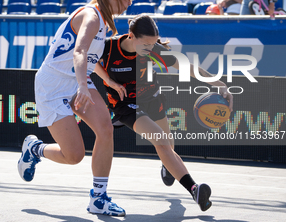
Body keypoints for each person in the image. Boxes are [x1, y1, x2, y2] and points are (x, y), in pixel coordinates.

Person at [17, 0, 133, 217]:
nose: (130, 3)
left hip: (78, 79)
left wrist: (108, 80)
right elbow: (79, 52)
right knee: (74, 156)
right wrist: (82, 85)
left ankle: (98, 199)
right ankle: (34, 148)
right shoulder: (91, 16)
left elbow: (91, 58)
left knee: (106, 130)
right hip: (54, 84)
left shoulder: (103, 18)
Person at [94, 14, 234, 212]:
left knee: (168, 147)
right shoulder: (108, 48)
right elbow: (87, 60)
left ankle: (167, 166)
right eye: (146, 44)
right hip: (125, 104)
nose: (150, 49)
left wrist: (220, 84)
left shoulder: (155, 51)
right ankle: (194, 189)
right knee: (161, 141)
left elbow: (190, 68)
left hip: (152, 99)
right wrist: (108, 80)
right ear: (131, 36)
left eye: (153, 44)